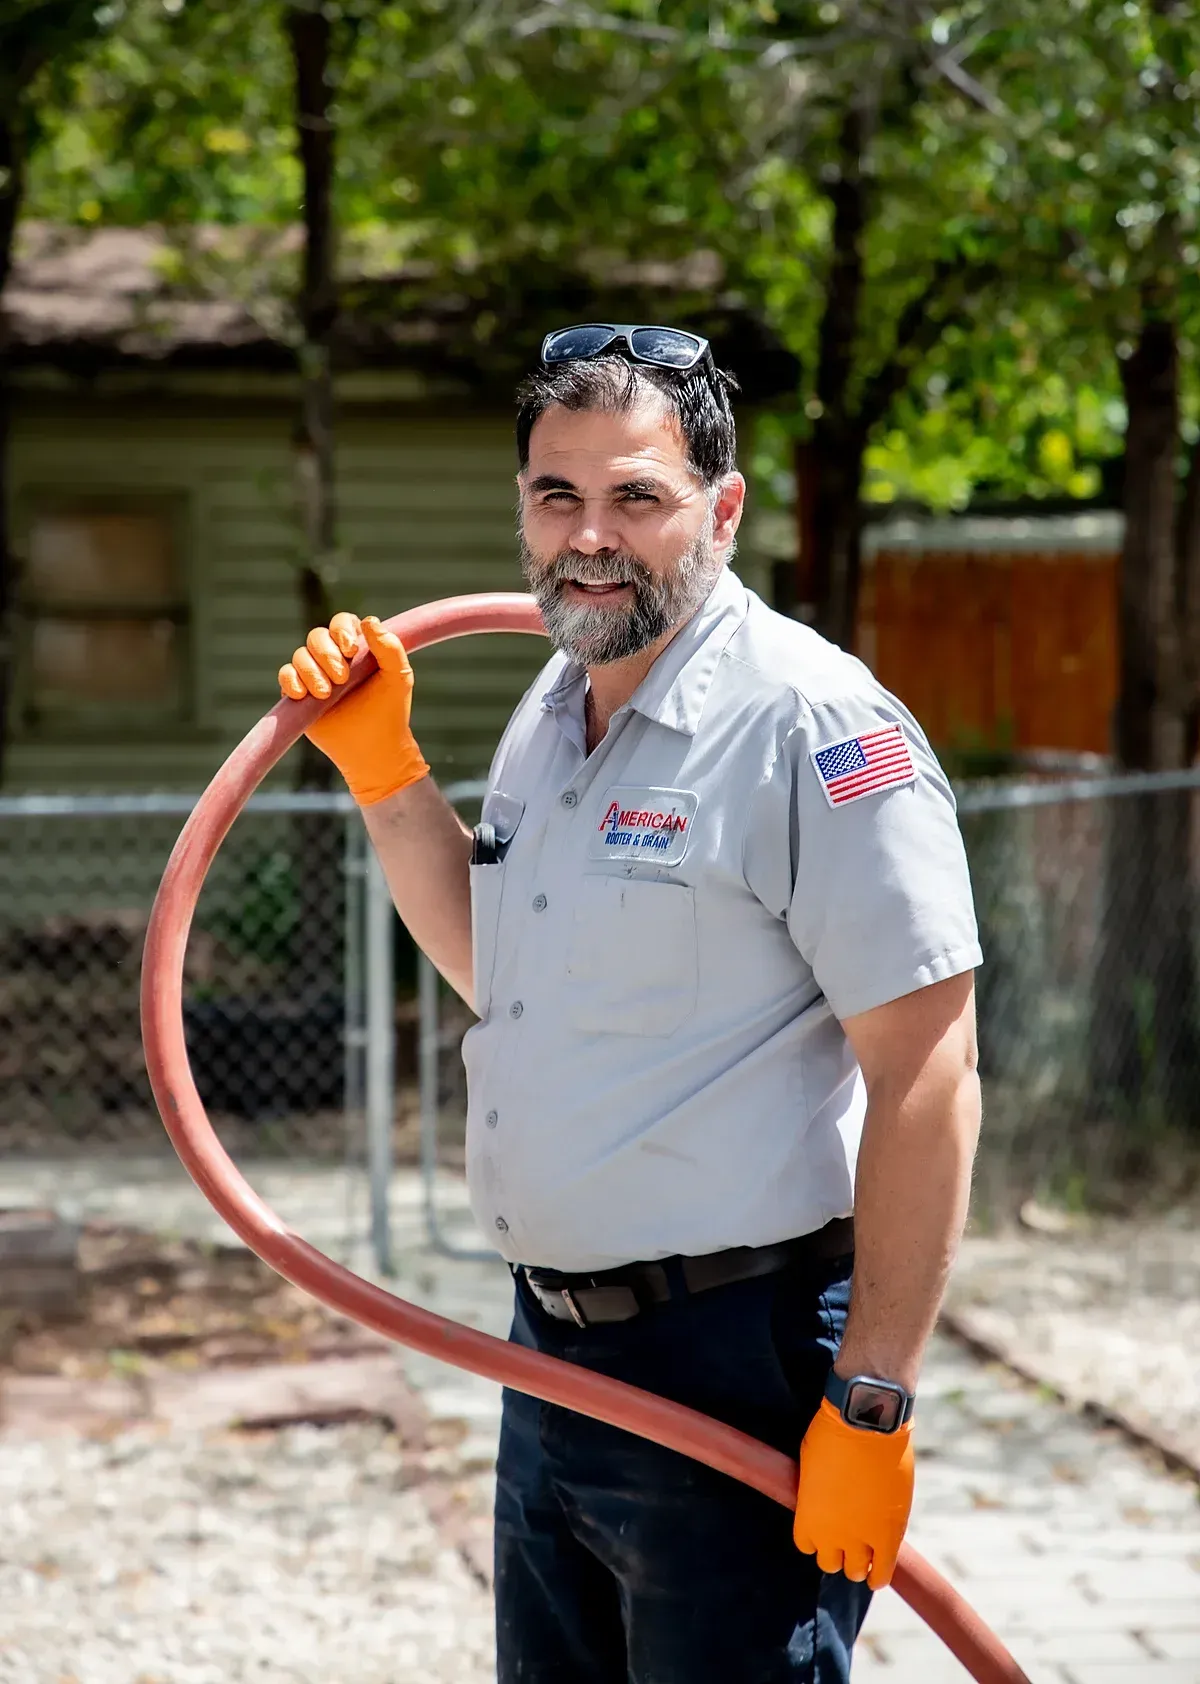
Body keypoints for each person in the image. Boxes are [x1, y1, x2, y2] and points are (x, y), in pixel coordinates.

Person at [278, 323, 983, 1683]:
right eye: (559, 497)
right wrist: (384, 772)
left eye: (635, 498)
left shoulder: (813, 729)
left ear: (720, 510)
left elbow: (928, 1068)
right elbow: (513, 975)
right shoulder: (554, 709)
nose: (588, 536)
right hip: (554, 1357)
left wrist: (875, 1402)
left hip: (742, 1359)